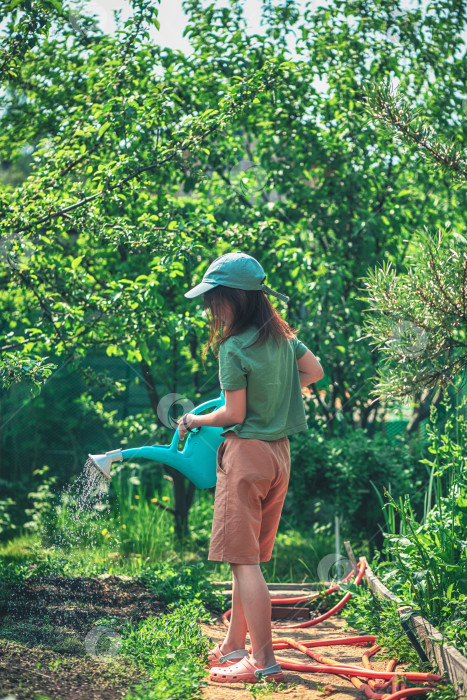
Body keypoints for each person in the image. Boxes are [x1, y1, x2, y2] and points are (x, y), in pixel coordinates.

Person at [177, 250, 324, 685]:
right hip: (279, 456)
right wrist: (277, 393)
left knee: (243, 562)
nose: (210, 308)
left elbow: (233, 414)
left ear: (234, 300)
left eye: (214, 299)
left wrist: (194, 419)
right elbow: (313, 371)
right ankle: (233, 645)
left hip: (246, 458)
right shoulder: (282, 338)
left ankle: (263, 661)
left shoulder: (234, 347)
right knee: (252, 558)